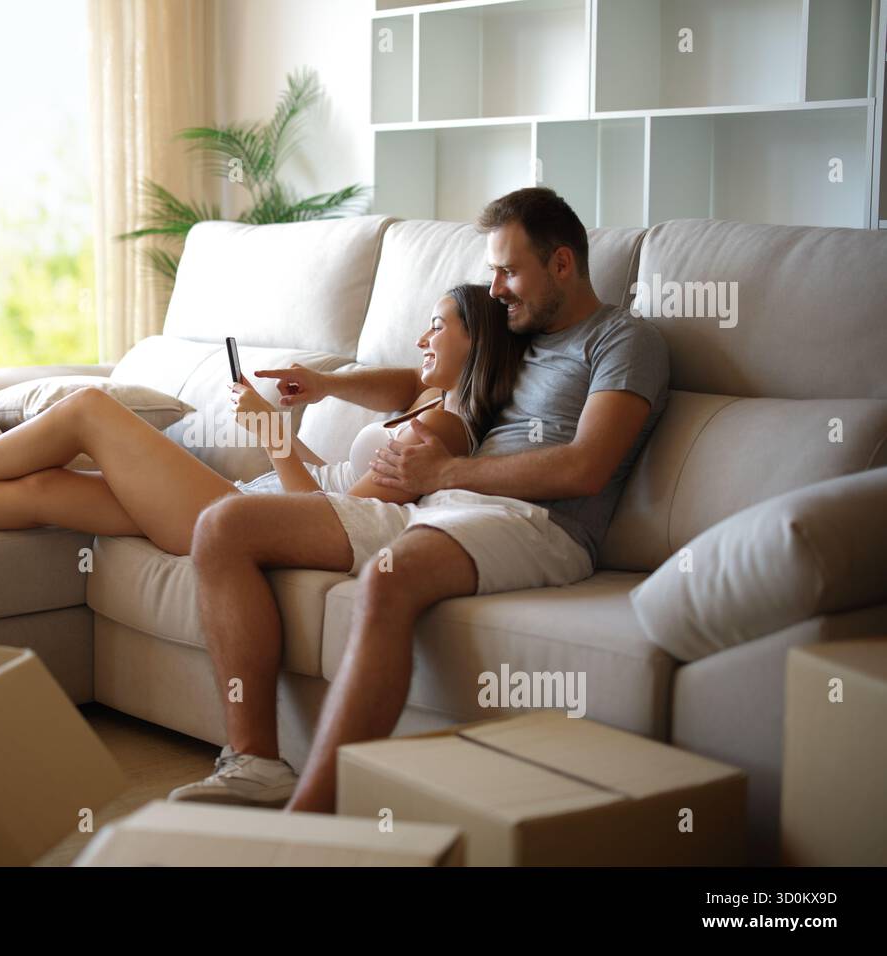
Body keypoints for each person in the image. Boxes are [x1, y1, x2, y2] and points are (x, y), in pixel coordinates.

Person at [170, 186, 670, 811]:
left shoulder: (622, 340)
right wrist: (326, 382)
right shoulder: (518, 334)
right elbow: (417, 378)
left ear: (562, 264)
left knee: (388, 576)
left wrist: (446, 471)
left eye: (509, 271)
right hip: (446, 503)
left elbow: (585, 467)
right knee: (224, 526)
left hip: (540, 522)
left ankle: (312, 817)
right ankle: (255, 763)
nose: (495, 289)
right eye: (492, 272)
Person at [0, 286, 520, 571]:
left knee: (91, 410)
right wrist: (314, 391)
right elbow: (344, 465)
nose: (423, 340)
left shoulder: (445, 433)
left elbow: (339, 515)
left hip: (258, 517)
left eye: (437, 327)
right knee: (46, 489)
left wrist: (272, 434)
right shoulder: (425, 405)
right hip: (257, 495)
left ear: (476, 341)